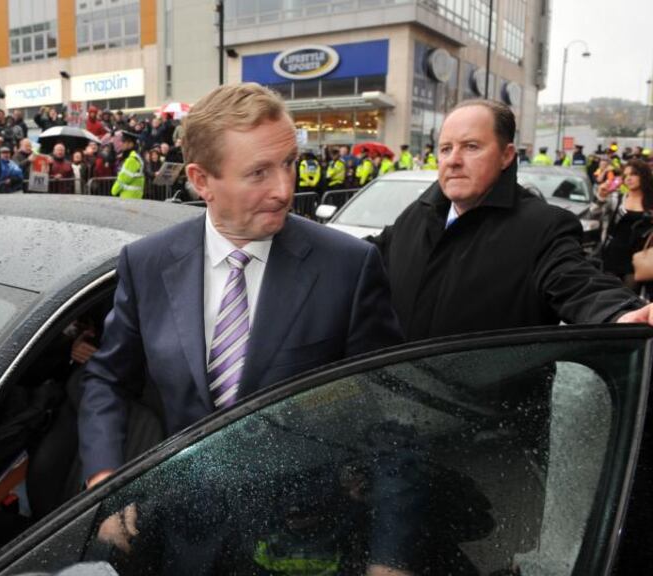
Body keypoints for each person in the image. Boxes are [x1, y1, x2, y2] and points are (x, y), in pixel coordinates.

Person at [79, 82, 403, 487]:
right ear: (202, 181)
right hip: (180, 523)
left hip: (303, 528)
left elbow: (389, 410)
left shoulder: (348, 267)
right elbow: (108, 379)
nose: (285, 190)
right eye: (259, 173)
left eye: (289, 163)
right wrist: (104, 476)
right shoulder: (147, 263)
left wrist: (389, 546)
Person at [370, 99, 653, 342]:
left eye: (470, 147)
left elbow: (578, 283)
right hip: (396, 398)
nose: (453, 160)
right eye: (445, 149)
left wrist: (623, 313)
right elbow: (367, 257)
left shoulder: (542, 228)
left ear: (506, 155)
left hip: (488, 406)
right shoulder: (418, 214)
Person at [600, 160, 653, 291]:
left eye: (633, 174)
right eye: (625, 175)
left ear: (644, 176)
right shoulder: (616, 199)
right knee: (610, 297)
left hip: (639, 259)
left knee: (630, 299)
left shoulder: (650, 203)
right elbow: (593, 213)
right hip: (612, 256)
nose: (628, 178)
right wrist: (600, 197)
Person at [111, 130, 144, 199]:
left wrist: (113, 191)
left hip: (129, 198)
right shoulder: (135, 156)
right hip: (134, 197)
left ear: (131, 144)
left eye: (124, 141)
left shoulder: (131, 159)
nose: (121, 143)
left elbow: (123, 180)